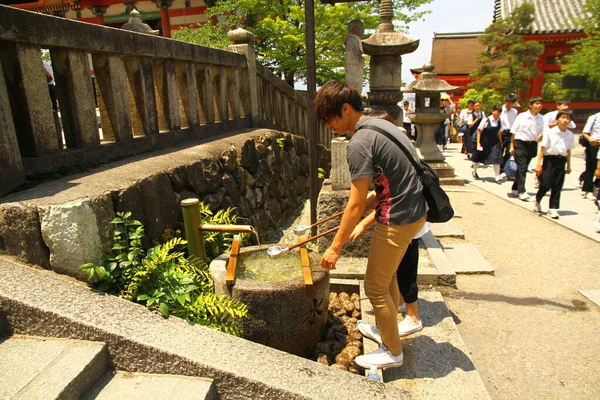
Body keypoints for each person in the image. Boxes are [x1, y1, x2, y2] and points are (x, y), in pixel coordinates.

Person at [314, 80, 427, 369]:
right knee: (387, 276)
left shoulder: (359, 142)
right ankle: (384, 328)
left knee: (374, 287)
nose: (328, 125)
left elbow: (353, 203)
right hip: (416, 211)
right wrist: (361, 217)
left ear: (346, 108)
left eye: (329, 118)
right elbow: (392, 181)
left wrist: (334, 248)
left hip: (398, 218)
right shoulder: (384, 126)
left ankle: (392, 351)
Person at [350, 194, 430, 338]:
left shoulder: (400, 174)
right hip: (404, 220)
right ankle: (397, 307)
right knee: (395, 271)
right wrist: (360, 208)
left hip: (407, 222)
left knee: (406, 273)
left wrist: (361, 223)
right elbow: (378, 195)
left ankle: (413, 318)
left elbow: (389, 203)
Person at [533, 111, 575, 219]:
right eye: (563, 118)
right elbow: (543, 149)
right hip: (549, 160)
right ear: (557, 120)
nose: (565, 120)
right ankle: (537, 200)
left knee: (558, 185)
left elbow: (568, 150)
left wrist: (569, 165)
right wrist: (538, 164)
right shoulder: (550, 132)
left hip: (561, 160)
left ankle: (553, 208)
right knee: (546, 183)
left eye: (568, 118)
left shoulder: (569, 134)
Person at [510, 96, 545, 201]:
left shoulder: (541, 118)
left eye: (540, 104)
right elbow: (514, 132)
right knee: (522, 167)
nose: (539, 106)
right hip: (520, 143)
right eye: (536, 103)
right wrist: (512, 146)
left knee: (523, 168)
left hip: (532, 144)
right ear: (531, 105)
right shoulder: (522, 116)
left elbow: (544, 131)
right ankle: (522, 191)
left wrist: (541, 135)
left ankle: (515, 187)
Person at [472, 105, 504, 183]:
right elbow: (479, 131)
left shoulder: (500, 121)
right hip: (485, 142)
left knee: (497, 158)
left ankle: (497, 177)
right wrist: (478, 143)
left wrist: (501, 142)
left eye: (500, 112)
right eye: (497, 112)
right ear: (493, 111)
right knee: (479, 159)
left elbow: (499, 132)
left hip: (495, 142)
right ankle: (474, 171)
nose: (498, 114)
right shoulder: (486, 120)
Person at [580, 111, 600, 201]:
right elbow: (585, 132)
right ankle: (588, 190)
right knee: (591, 168)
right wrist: (590, 140)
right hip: (594, 144)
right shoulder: (594, 117)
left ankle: (596, 185)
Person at [500, 94, 518, 174]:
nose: (509, 104)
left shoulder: (515, 112)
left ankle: (502, 166)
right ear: (505, 101)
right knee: (499, 150)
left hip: (510, 133)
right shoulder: (500, 110)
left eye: (511, 103)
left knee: (509, 151)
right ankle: (499, 167)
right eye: (508, 102)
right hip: (501, 133)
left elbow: (515, 123)